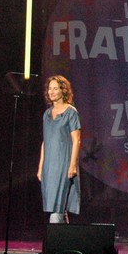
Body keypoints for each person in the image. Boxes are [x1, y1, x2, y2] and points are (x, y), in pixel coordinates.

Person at [38, 75, 82, 224]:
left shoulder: (71, 112)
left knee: (57, 208)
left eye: (55, 88)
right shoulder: (46, 114)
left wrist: (72, 165)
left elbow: (76, 140)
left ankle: (55, 241)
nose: (52, 91)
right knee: (58, 208)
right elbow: (45, 142)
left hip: (64, 164)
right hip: (49, 167)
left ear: (63, 90)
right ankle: (66, 241)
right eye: (50, 88)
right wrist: (40, 167)